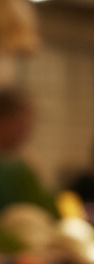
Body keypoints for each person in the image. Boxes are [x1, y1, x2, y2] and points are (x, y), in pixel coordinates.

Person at [0, 88, 56, 216]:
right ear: (4, 120)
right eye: (24, 124)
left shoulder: (22, 162)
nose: (28, 133)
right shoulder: (13, 169)